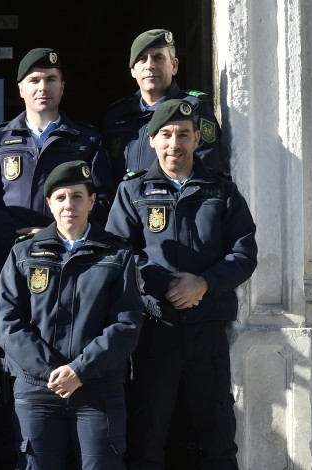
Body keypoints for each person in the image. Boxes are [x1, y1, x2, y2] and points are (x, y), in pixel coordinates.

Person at [0, 47, 115, 467]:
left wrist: (53, 232)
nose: (43, 87)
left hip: (75, 271)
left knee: (76, 358)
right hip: (15, 268)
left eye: (50, 79)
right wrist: (22, 239)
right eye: (34, 80)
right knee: (17, 371)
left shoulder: (85, 139)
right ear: (20, 89)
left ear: (63, 86)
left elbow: (104, 200)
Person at [105, 99, 257, 469]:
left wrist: (203, 284)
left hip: (207, 329)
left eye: (184, 135)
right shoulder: (133, 192)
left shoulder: (222, 191)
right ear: (153, 140)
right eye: (167, 135)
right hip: (156, 330)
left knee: (216, 436)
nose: (176, 143)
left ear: (196, 140)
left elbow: (243, 253)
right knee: (148, 435)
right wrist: (164, 285)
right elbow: (119, 253)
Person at [0, 160, 143, 469]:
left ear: (92, 201)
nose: (69, 205)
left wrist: (80, 370)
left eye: (77, 196)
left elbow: (126, 324)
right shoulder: (24, 253)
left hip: (97, 389)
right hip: (37, 391)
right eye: (60, 197)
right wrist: (52, 371)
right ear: (49, 203)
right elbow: (8, 323)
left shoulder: (117, 254)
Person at [102, 28, 223, 183]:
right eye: (142, 59)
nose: (150, 65)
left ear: (174, 66)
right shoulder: (116, 115)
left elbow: (205, 172)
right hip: (124, 205)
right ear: (133, 70)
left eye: (158, 58)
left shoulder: (193, 108)